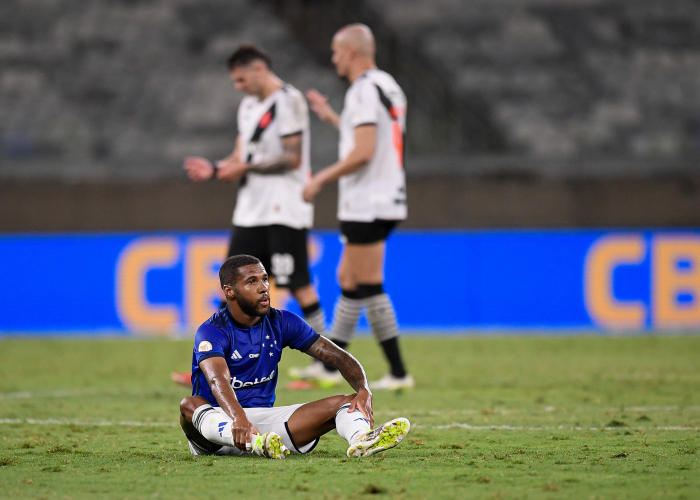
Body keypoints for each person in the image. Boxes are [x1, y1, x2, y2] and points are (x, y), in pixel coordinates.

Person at [174, 45, 328, 386]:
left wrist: (246, 166)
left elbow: (293, 157)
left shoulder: (289, 101)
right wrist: (216, 169)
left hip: (283, 208)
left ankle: (326, 366)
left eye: (241, 79)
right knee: (231, 286)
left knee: (298, 283)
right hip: (250, 209)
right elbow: (239, 154)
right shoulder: (248, 107)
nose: (238, 87)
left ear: (259, 69)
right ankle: (211, 362)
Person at [179, 254, 410, 459]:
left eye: (265, 279)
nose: (264, 287)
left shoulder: (283, 322)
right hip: (216, 428)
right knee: (189, 405)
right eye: (252, 281)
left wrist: (364, 389)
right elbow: (217, 380)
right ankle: (255, 444)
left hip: (264, 426)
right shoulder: (212, 330)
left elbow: (338, 357)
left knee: (349, 401)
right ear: (229, 291)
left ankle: (362, 439)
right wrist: (238, 420)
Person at [288, 24, 413, 391]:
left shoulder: (361, 90)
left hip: (368, 200)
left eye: (336, 51)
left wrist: (320, 179)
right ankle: (357, 368)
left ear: (352, 52)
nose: (333, 59)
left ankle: (379, 371)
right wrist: (332, 119)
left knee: (360, 282)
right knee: (355, 280)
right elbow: (373, 135)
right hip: (386, 195)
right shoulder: (387, 84)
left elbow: (363, 152)